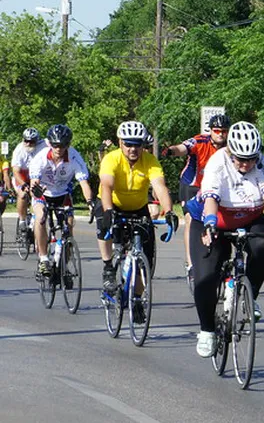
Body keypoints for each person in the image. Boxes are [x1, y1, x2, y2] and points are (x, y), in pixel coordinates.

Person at [191, 121, 264, 357]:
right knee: (206, 277)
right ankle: (207, 331)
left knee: (263, 243)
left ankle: (249, 295)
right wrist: (210, 223)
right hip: (214, 217)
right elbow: (211, 197)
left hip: (249, 215)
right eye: (240, 159)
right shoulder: (218, 162)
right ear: (230, 152)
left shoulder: (261, 162)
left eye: (251, 159)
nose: (246, 165)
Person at [95, 121, 178, 296]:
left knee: (145, 254)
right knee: (103, 224)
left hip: (138, 207)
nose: (133, 149)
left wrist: (169, 211)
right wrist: (108, 210)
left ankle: (138, 298)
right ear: (120, 143)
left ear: (143, 145)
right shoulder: (111, 159)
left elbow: (160, 187)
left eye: (137, 145)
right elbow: (107, 186)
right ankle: (108, 267)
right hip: (112, 202)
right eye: (128, 144)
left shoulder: (150, 161)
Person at [163, 113, 229, 282]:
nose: (220, 134)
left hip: (215, 188)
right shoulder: (200, 141)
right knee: (191, 220)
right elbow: (183, 148)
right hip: (193, 186)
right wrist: (171, 151)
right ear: (210, 131)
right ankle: (191, 264)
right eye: (217, 131)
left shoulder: (231, 146)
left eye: (224, 131)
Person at [27, 125, 97, 277]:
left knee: (69, 225)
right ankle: (43, 258)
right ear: (50, 144)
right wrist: (36, 191)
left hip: (63, 194)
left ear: (68, 144)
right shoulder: (40, 158)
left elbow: (84, 183)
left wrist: (90, 202)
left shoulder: (74, 157)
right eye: (55, 145)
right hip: (43, 193)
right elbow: (34, 183)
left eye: (63, 145)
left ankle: (64, 266)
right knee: (40, 217)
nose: (58, 149)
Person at [11, 128, 48, 234]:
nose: (28, 143)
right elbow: (16, 172)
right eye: (26, 141)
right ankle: (22, 220)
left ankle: (36, 218)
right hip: (22, 176)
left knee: (39, 195)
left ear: (37, 140)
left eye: (31, 141)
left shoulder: (44, 145)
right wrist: (23, 185)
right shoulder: (19, 150)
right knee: (23, 194)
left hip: (36, 176)